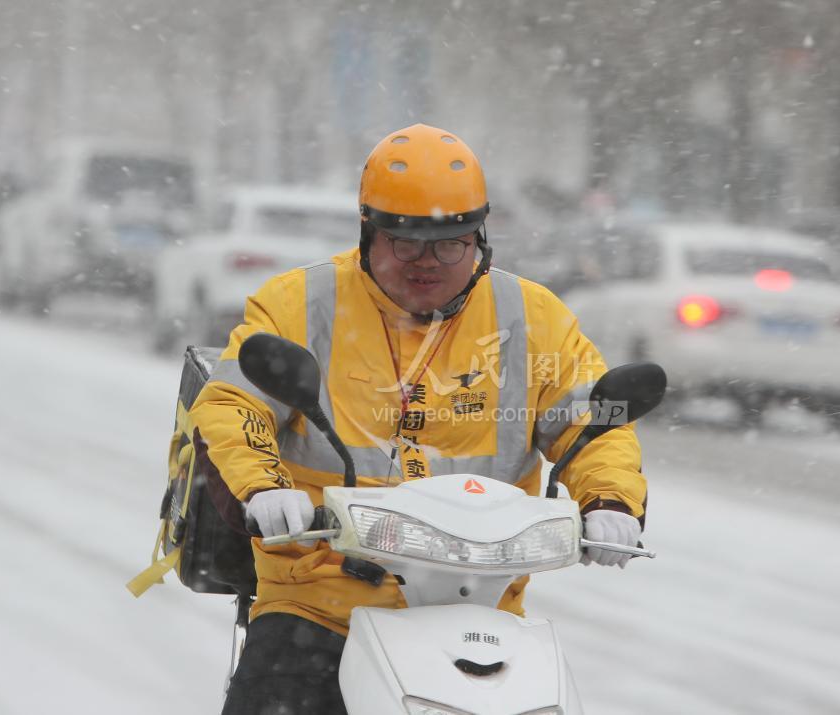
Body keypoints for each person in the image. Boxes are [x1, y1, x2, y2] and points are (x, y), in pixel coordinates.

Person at [190, 123, 648, 714]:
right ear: (367, 233)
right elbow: (234, 407)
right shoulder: (297, 305)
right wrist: (262, 490)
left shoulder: (533, 318)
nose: (427, 262)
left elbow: (593, 423)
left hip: (479, 608)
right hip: (320, 605)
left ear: (480, 238)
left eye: (451, 244)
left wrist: (609, 501)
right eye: (405, 243)